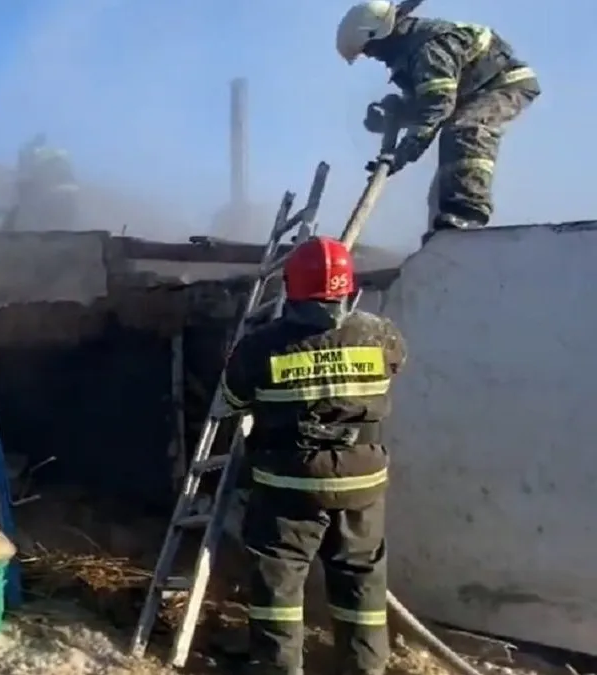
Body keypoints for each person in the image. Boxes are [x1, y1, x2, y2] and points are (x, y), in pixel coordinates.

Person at [216, 236, 407, 675]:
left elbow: (230, 402)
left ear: (292, 286)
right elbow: (395, 367)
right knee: (360, 578)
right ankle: (365, 667)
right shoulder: (381, 335)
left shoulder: (261, 346)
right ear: (348, 286)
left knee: (279, 580)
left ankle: (278, 668)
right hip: (361, 484)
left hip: (290, 486)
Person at [336, 1, 539, 244]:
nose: (373, 56)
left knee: (465, 128)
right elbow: (429, 102)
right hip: (471, 93)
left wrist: (402, 154)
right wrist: (395, 113)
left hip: (503, 84)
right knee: (445, 182)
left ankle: (468, 215)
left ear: (381, 34)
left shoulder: (428, 49)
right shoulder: (412, 52)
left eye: (370, 49)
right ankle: (443, 238)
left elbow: (437, 107)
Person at [9, 133, 79, 230]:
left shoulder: (34, 153)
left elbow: (26, 174)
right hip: (62, 188)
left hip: (47, 189)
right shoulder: (55, 155)